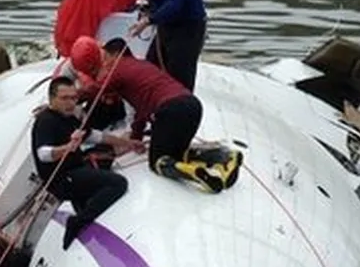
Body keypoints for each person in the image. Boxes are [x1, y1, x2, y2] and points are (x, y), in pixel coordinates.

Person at [74, 36, 241, 193]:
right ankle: (222, 156)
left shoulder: (117, 69)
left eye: (105, 58)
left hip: (170, 110)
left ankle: (195, 173)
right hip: (192, 105)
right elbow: (139, 108)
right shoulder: (142, 66)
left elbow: (95, 91)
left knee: (158, 162)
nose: (104, 64)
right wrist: (136, 137)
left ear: (114, 55)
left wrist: (69, 97)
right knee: (178, 153)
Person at [31, 76, 140, 249]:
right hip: (63, 178)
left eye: (74, 98)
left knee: (101, 163)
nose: (70, 103)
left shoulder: (69, 118)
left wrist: (129, 143)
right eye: (64, 98)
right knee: (118, 183)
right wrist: (68, 147)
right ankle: (76, 222)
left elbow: (95, 136)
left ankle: (83, 226)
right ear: (52, 99)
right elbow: (43, 154)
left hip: (75, 170)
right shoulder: (45, 121)